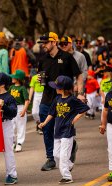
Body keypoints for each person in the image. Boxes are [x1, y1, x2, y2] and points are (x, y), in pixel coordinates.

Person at [37, 32, 84, 171]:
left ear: (54, 42)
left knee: (64, 127)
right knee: (46, 127)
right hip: (47, 98)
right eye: (42, 43)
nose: (43, 45)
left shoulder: (67, 57)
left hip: (65, 98)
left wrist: (80, 93)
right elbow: (40, 75)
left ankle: (70, 147)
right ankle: (51, 158)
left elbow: (79, 75)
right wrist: (40, 79)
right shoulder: (42, 59)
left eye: (46, 42)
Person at [39, 75, 89, 184]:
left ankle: (67, 176)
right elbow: (51, 113)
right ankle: (69, 165)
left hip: (67, 131)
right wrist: (44, 123)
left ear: (63, 88)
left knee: (63, 155)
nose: (55, 89)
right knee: (56, 154)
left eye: (57, 87)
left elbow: (84, 108)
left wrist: (73, 120)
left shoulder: (72, 100)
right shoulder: (57, 99)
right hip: (57, 130)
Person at [9, 70, 29, 152]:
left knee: (21, 126)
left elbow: (27, 100)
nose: (12, 78)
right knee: (11, 126)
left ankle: (19, 143)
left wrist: (24, 110)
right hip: (12, 107)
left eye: (15, 77)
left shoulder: (22, 88)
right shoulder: (11, 87)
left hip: (20, 108)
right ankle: (13, 142)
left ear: (18, 79)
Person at [100, 78, 112, 182]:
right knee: (111, 148)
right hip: (111, 125)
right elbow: (105, 110)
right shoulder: (109, 95)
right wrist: (103, 125)